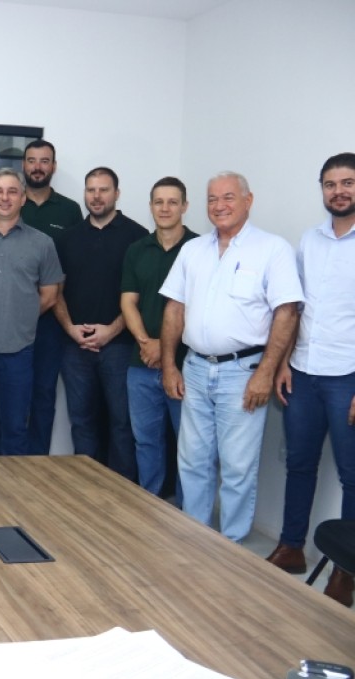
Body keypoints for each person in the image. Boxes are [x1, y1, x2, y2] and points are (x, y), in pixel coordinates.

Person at [160, 171, 301, 542]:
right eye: (212, 199)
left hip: (243, 372)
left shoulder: (272, 249)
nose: (219, 206)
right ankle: (194, 537)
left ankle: (232, 545)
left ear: (248, 201)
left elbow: (287, 312)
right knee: (192, 461)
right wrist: (169, 365)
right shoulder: (192, 250)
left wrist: (265, 372)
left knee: (238, 467)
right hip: (194, 368)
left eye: (228, 197)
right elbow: (174, 309)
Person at [266, 153, 355, 607]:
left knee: (352, 476)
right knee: (299, 464)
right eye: (330, 184)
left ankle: (346, 570)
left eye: (347, 183)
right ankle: (291, 547)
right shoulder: (309, 240)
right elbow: (295, 307)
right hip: (303, 370)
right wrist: (283, 362)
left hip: (347, 376)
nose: (339, 191)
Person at [0, 169, 62, 455]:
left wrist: (19, 316)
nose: (5, 198)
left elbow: (50, 295)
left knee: (15, 427)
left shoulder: (42, 243)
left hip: (19, 352)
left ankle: (11, 483)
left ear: (23, 198)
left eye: (12, 191)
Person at [54, 167, 146, 479]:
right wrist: (70, 329)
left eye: (103, 190)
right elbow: (56, 291)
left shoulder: (137, 237)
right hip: (75, 346)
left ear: (116, 194)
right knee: (82, 421)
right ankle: (86, 488)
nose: (96, 196)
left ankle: (122, 490)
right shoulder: (68, 238)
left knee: (122, 422)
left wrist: (112, 331)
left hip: (119, 346)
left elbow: (140, 296)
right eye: (91, 190)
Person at [120, 177, 197, 497]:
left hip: (184, 366)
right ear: (150, 206)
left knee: (189, 445)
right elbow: (128, 302)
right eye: (159, 202)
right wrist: (146, 343)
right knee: (146, 442)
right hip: (141, 364)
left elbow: (200, 308)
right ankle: (149, 504)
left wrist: (163, 348)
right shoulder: (137, 250)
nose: (165, 208)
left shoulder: (200, 249)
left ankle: (186, 512)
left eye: (172, 202)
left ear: (185, 206)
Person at [20, 139, 83, 454]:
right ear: (24, 165)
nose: (37, 167)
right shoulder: (10, 201)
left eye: (44, 161)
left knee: (43, 395)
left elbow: (76, 265)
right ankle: (4, 463)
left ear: (53, 167)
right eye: (32, 160)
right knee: (10, 394)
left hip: (50, 321)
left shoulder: (70, 210)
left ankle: (36, 465)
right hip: (12, 320)